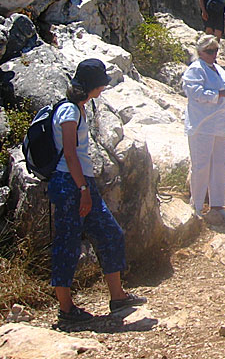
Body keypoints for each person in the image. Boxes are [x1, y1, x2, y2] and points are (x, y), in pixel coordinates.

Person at [50, 58, 146, 323]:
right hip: (71, 182)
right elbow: (70, 154)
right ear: (91, 84)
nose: (103, 88)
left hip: (81, 182)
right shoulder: (69, 111)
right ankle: (66, 309)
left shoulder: (79, 107)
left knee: (110, 233)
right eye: (100, 84)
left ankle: (118, 297)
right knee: (67, 243)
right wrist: (82, 188)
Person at [182, 35, 225, 222]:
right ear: (200, 52)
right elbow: (195, 93)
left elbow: (222, 90)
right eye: (209, 51)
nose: (213, 54)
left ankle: (217, 205)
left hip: (219, 123)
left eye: (216, 50)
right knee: (201, 166)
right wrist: (221, 94)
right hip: (202, 124)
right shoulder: (195, 69)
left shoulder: (217, 68)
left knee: (218, 165)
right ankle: (197, 205)